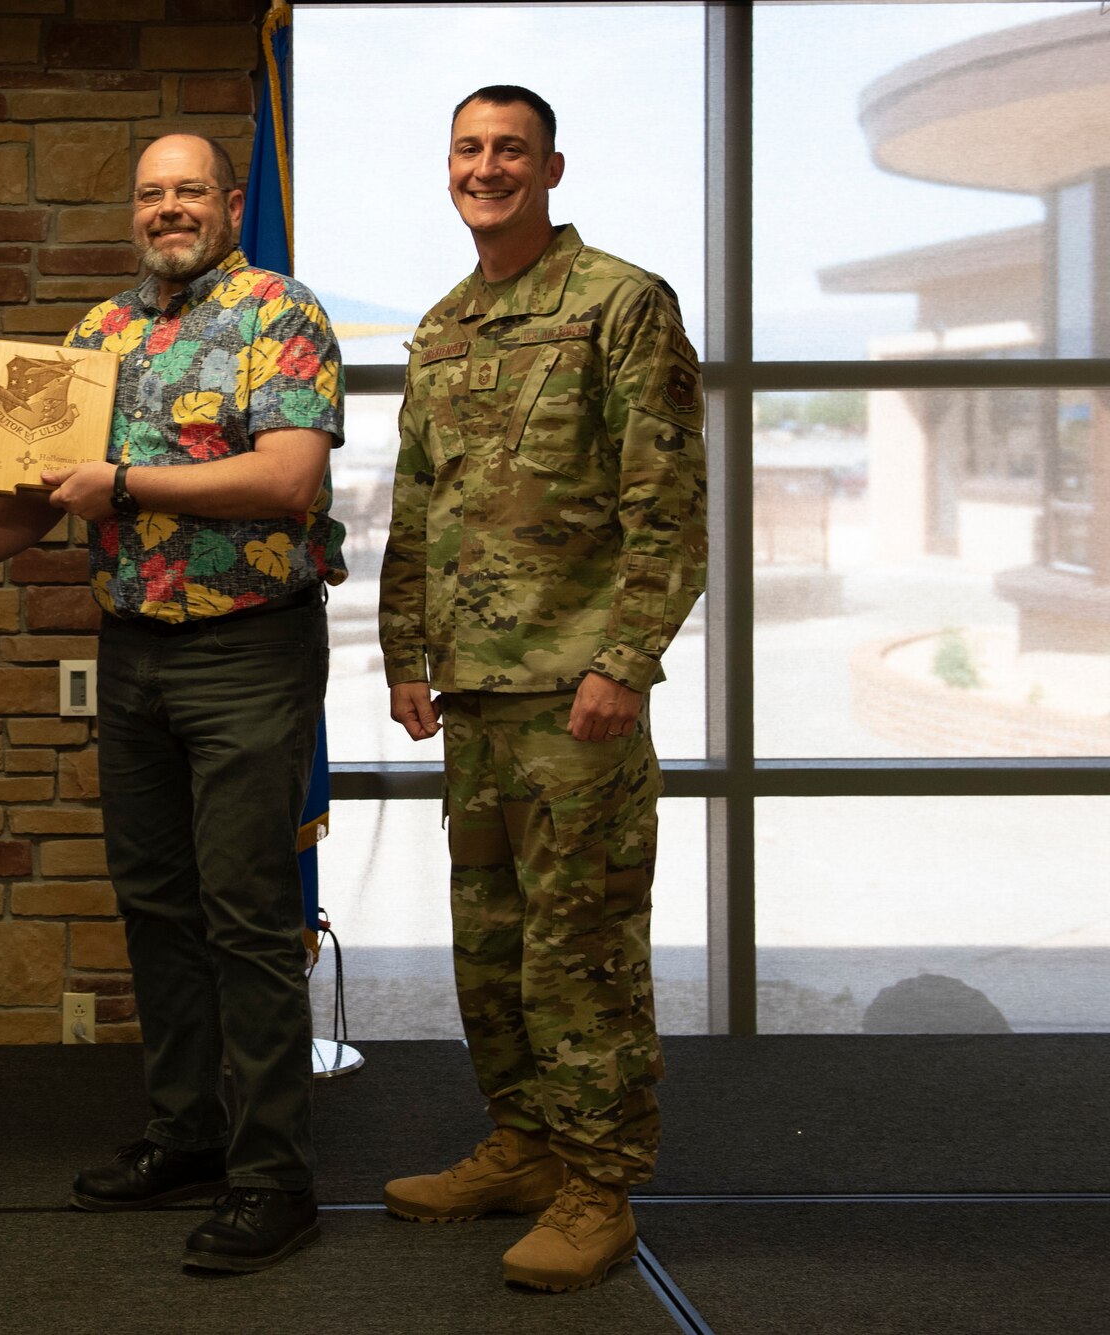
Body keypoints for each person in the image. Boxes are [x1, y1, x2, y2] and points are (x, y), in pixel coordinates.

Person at [0, 133, 345, 1274]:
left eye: (189, 192)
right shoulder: (95, 339)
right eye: (151, 194)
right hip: (134, 649)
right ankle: (188, 1134)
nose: (169, 210)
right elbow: (29, 501)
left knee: (249, 915)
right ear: (135, 212)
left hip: (248, 649)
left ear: (229, 202)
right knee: (157, 904)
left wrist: (118, 483)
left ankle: (275, 1178)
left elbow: (285, 477)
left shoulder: (280, 314)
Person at [376, 85, 706, 1292]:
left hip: (576, 693)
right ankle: (522, 1146)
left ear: (551, 168)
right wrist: (403, 653)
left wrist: (625, 663)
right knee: (491, 943)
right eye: (467, 149)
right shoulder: (444, 325)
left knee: (581, 947)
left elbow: (664, 502)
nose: (486, 167)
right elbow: (414, 506)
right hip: (472, 696)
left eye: (508, 149)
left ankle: (597, 1186)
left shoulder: (619, 303)